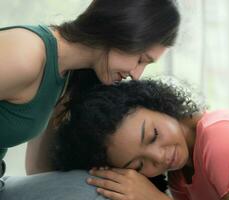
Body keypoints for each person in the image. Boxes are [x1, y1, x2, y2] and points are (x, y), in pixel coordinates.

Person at [0, 0, 180, 179]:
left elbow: (39, 170)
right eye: (141, 59)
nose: (136, 75)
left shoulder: (69, 76)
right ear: (121, 29)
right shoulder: (27, 55)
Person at [47, 79, 229, 200]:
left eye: (153, 135)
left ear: (157, 104)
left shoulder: (221, 140)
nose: (159, 157)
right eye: (138, 166)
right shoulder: (179, 172)